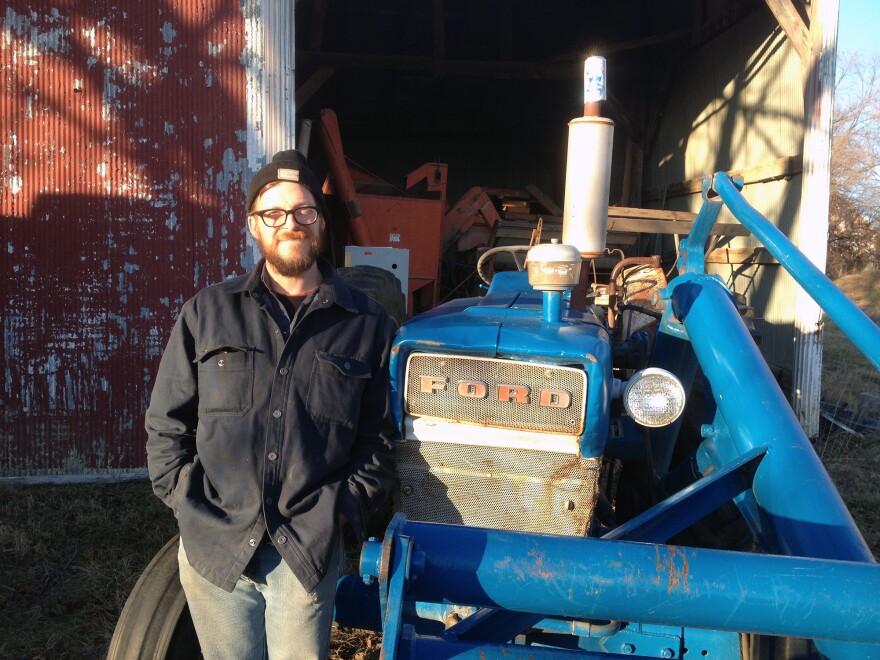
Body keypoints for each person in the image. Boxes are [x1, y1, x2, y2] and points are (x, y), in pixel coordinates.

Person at [146, 149, 397, 659]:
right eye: (274, 214)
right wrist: (186, 501)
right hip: (215, 549)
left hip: (305, 551)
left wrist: (342, 513)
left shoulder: (368, 325)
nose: (291, 224)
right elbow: (166, 425)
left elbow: (381, 439)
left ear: (321, 224)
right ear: (254, 226)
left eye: (304, 212)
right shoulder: (206, 314)